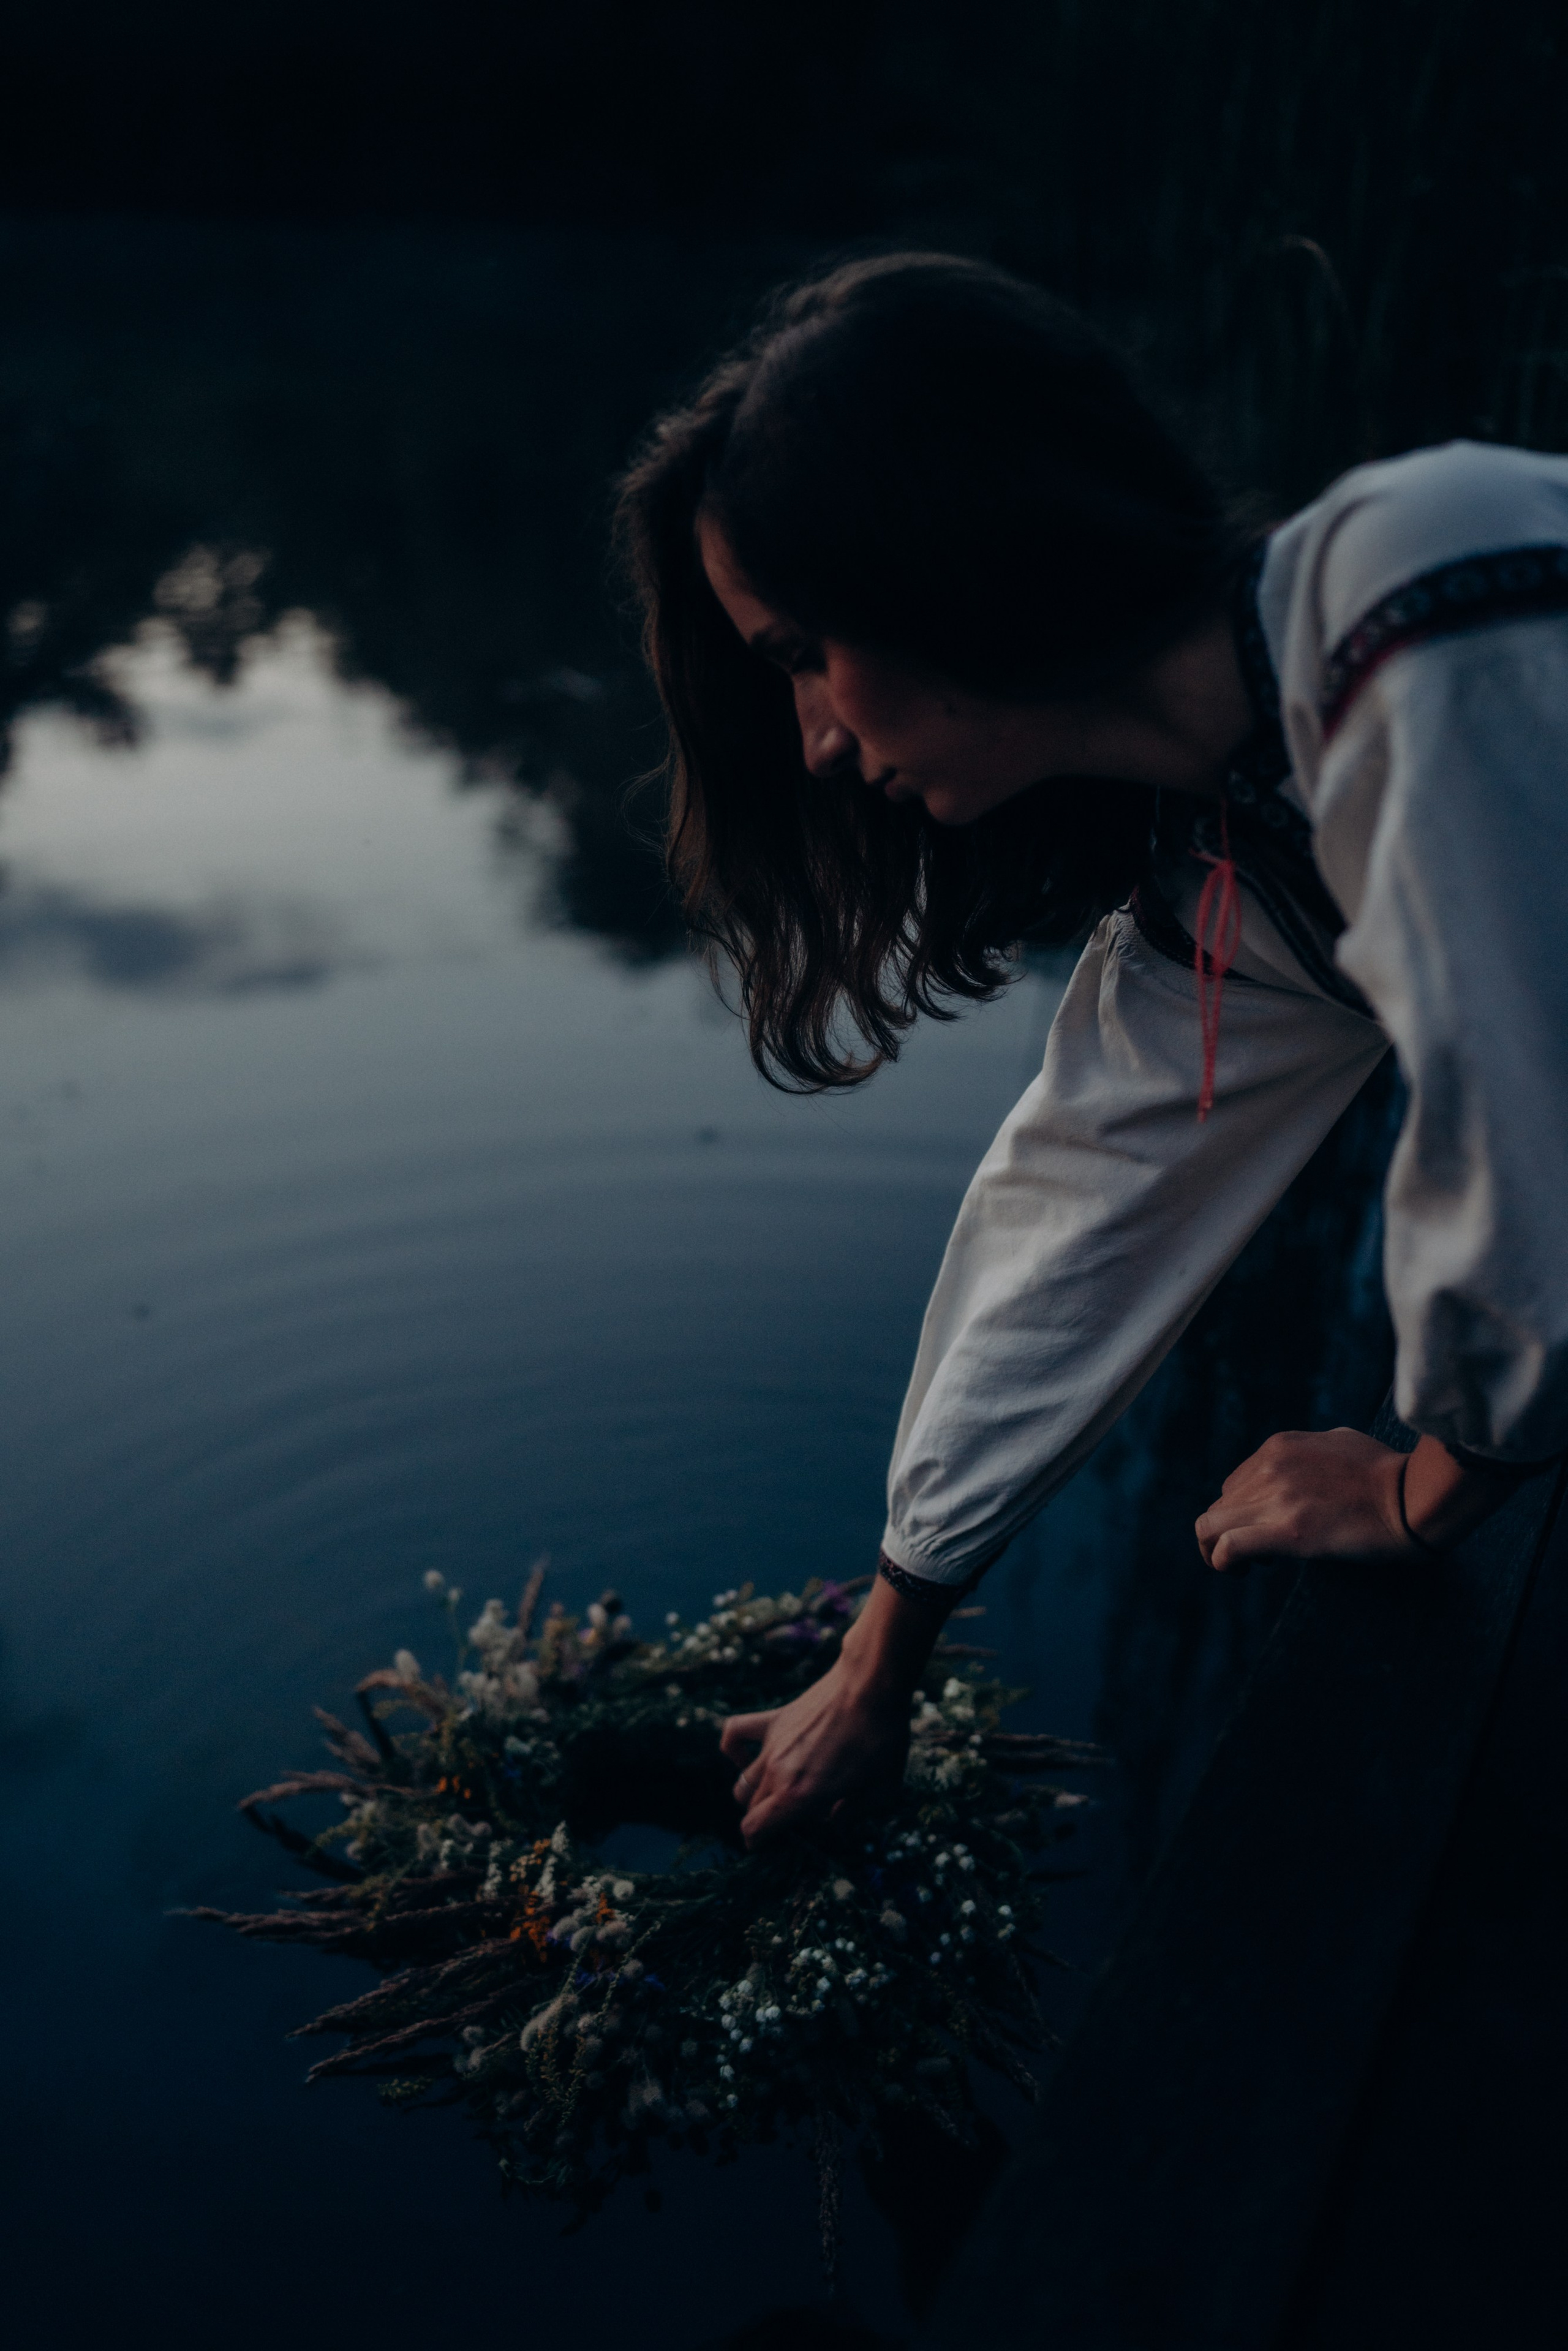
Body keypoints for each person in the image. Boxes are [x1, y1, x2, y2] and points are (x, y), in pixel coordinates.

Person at [614, 251, 1568, 1846]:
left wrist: (1426, 1495)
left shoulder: (1414, 597)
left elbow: (1531, 1153)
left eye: (798, 655)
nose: (817, 739)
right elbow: (1071, 1217)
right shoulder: (1241, 860)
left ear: (937, 570)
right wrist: (878, 1663)